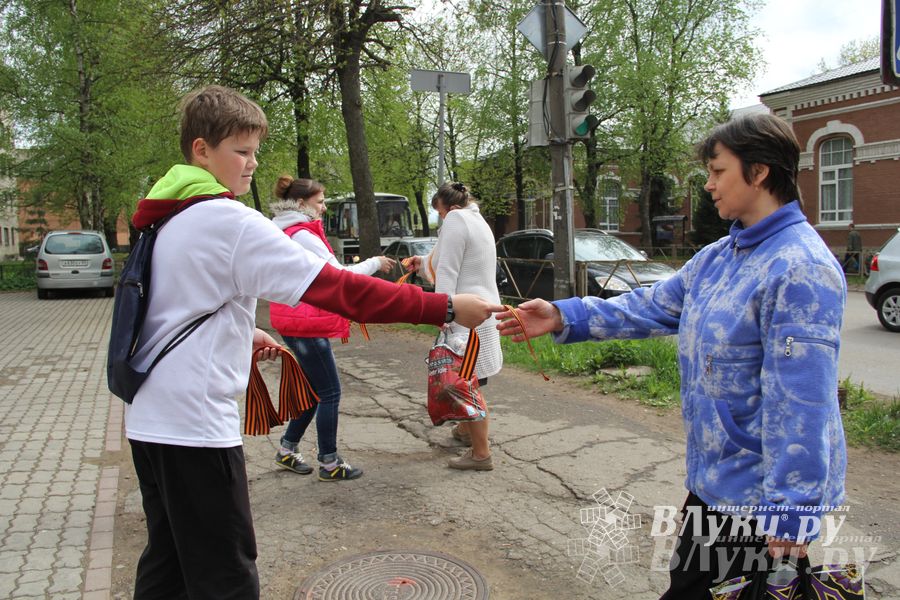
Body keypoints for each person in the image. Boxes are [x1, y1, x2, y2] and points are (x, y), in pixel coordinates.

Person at [125, 85, 501, 600]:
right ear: (200, 150)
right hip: (195, 426)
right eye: (241, 151)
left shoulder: (168, 213)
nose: (253, 164)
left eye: (255, 150)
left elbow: (171, 304)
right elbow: (340, 291)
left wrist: (240, 331)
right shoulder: (224, 218)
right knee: (225, 575)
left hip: (149, 419)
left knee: (167, 565)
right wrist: (446, 306)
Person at [496, 113, 847, 597]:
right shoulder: (719, 258)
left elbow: (804, 401)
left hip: (760, 499)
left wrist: (794, 508)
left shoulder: (801, 267)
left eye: (718, 171)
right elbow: (651, 305)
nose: (708, 185)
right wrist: (563, 316)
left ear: (760, 170)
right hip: (716, 482)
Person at [269, 175, 395, 481]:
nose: (324, 208)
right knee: (330, 393)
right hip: (305, 322)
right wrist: (375, 263)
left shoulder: (287, 231)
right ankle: (329, 462)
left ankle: (287, 449)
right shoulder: (301, 234)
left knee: (315, 391)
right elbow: (340, 275)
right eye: (321, 202)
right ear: (301, 204)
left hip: (294, 318)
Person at [406, 182, 503, 471]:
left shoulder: (456, 220)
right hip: (483, 310)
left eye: (440, 214)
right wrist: (422, 262)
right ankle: (464, 432)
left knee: (465, 383)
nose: (441, 221)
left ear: (450, 207)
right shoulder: (476, 219)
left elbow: (448, 270)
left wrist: (441, 313)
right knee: (471, 377)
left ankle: (481, 454)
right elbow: (456, 258)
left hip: (464, 313)